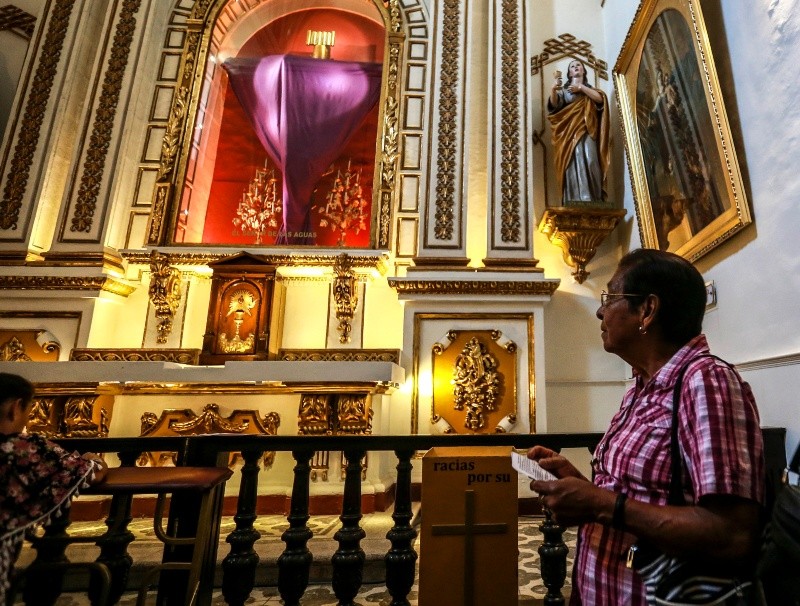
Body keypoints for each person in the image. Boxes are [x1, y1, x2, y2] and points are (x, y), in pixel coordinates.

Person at [528, 249, 764, 604]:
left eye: (610, 298)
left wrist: (602, 504)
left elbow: (731, 535)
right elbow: (641, 494)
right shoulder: (641, 386)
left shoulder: (707, 382)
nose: (600, 311)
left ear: (647, 310)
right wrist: (581, 487)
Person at [0, 372, 108, 603]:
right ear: (15, 408)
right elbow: (90, 472)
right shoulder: (23, 449)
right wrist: (96, 460)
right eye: (28, 413)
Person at [548, 59, 610, 204]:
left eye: (578, 66)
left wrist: (581, 88)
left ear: (583, 71)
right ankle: (574, 198)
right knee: (572, 162)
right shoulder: (564, 91)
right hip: (568, 134)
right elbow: (555, 105)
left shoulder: (590, 90)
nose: (576, 68)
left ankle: (595, 198)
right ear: (569, 73)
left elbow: (600, 100)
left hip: (589, 130)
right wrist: (553, 90)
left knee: (591, 160)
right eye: (573, 66)